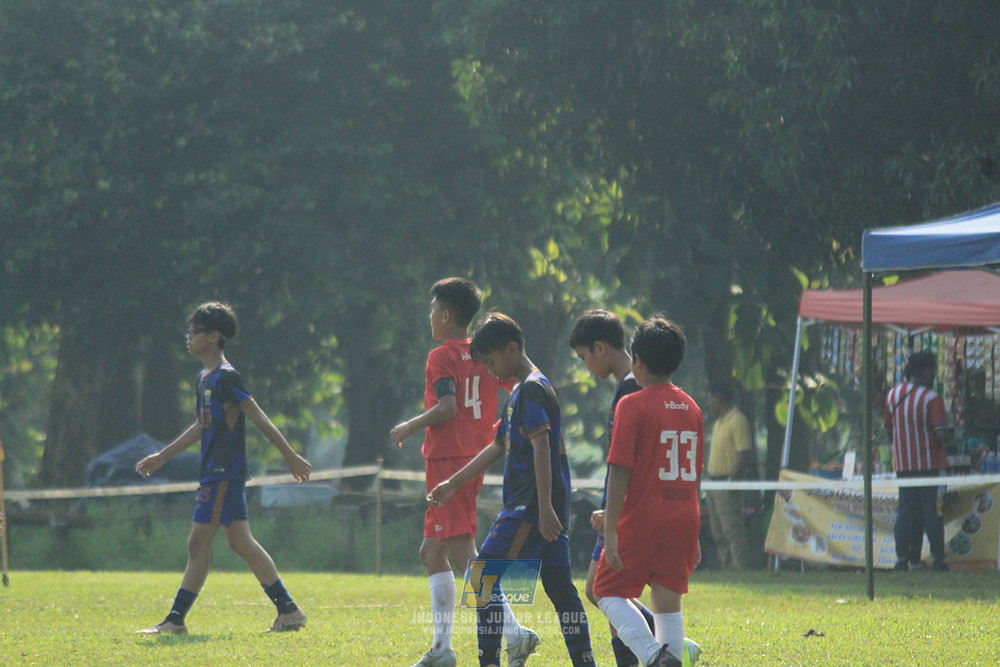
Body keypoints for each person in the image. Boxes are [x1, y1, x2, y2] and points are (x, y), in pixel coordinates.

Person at [429, 313, 596, 667]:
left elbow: (541, 446)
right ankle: (586, 662)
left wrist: (546, 508)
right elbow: (498, 447)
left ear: (512, 349)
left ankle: (488, 661)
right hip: (544, 507)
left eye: (491, 362)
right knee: (560, 588)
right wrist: (453, 483)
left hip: (528, 508)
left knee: (481, 580)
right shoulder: (522, 390)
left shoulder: (532, 389)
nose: (489, 371)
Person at [135, 302, 312, 635]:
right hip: (215, 472)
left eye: (195, 331)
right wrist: (163, 456)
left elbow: (258, 416)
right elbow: (202, 426)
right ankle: (289, 610)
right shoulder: (204, 378)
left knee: (198, 545)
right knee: (240, 543)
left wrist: (290, 455)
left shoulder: (227, 377)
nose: (188, 336)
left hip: (223, 472)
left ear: (214, 336)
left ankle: (175, 620)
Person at [390, 279, 538, 667]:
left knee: (461, 550)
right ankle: (444, 649)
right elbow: (522, 379)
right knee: (432, 551)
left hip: (448, 461)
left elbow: (448, 408)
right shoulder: (483, 354)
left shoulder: (441, 355)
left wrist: (409, 424)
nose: (429, 318)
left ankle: (513, 632)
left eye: (432, 310)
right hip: (473, 458)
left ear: (445, 315)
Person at [592, 317, 704, 667]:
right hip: (685, 515)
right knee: (667, 605)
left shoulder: (633, 404)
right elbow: (695, 474)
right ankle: (667, 656)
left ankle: (655, 656)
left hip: (645, 516)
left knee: (605, 592)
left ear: (637, 361)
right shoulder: (692, 408)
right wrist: (695, 533)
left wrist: (611, 527)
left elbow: (620, 469)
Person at [568, 309, 648, 667]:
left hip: (624, 509)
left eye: (584, 357)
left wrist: (616, 512)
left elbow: (628, 461)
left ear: (600, 348)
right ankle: (665, 643)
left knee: (605, 591)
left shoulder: (630, 389)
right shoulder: (631, 385)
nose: (586, 366)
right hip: (622, 507)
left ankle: (662, 648)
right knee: (602, 591)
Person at [884, 350, 952, 572]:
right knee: (932, 511)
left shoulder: (892, 396)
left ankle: (902, 558)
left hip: (904, 466)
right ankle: (938, 558)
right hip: (931, 466)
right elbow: (941, 434)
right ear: (925, 372)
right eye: (932, 370)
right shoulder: (932, 399)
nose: (933, 375)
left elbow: (888, 428)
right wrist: (951, 434)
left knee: (905, 512)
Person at [704, 380, 758, 571]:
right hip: (714, 484)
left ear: (720, 398)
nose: (709, 403)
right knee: (718, 531)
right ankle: (729, 569)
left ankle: (742, 570)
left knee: (733, 531)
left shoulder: (737, 420)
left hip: (727, 484)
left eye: (711, 399)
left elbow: (744, 452)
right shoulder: (718, 423)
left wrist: (732, 481)